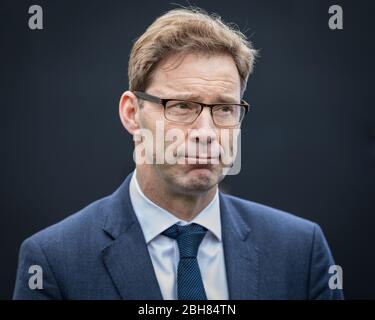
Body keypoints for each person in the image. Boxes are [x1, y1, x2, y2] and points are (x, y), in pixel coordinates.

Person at [13, 7, 343, 300]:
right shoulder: (54, 262)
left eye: (225, 109)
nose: (206, 133)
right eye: (182, 106)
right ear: (132, 113)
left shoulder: (300, 251)